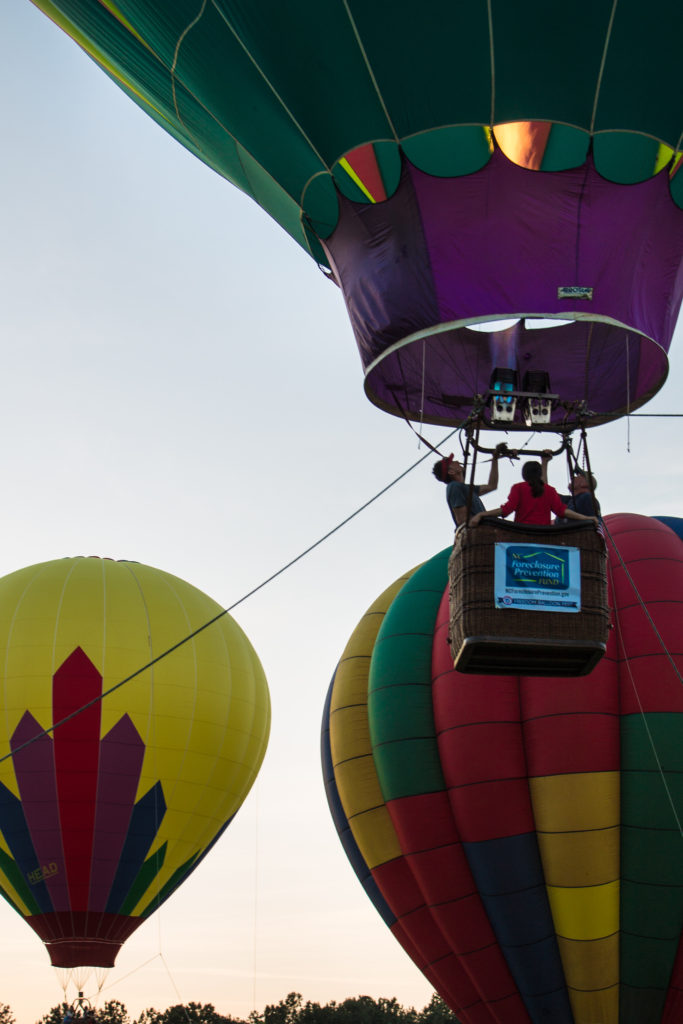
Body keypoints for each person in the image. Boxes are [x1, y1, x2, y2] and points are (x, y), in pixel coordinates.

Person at [469, 459, 598, 528]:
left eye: (578, 476)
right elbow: (562, 511)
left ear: (524, 475)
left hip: (523, 536)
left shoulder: (519, 488)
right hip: (544, 538)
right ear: (539, 474)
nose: (573, 477)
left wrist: (481, 514)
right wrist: (587, 519)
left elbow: (506, 510)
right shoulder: (550, 491)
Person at [432, 445, 505, 529]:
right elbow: (463, 521)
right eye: (452, 462)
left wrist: (495, 459)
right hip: (477, 533)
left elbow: (492, 486)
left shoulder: (464, 488)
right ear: (451, 472)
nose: (456, 461)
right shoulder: (454, 487)